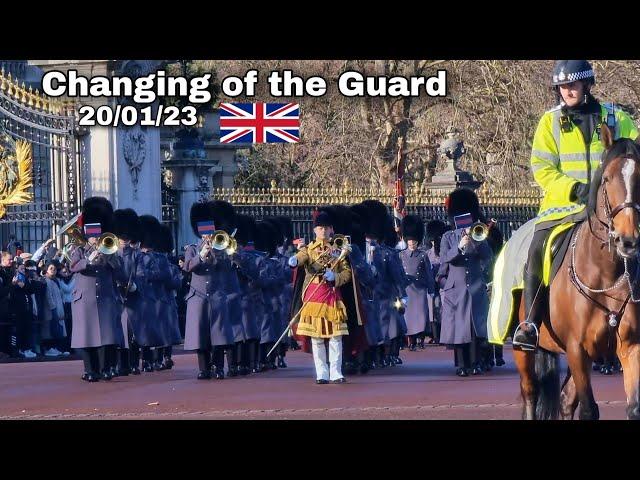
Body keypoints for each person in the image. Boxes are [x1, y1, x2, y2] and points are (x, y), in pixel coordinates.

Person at [513, 60, 640, 351]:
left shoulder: (616, 118)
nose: (567, 91)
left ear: (587, 85)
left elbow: (635, 156)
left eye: (572, 85)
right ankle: (530, 324)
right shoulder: (549, 122)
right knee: (537, 249)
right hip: (564, 207)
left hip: (612, 208)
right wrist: (575, 189)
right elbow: (542, 167)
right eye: (562, 86)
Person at [289, 210, 352, 384]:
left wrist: (335, 278)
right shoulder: (309, 249)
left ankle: (336, 372)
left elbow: (347, 273)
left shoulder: (338, 249)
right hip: (314, 296)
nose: (323, 231)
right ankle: (322, 373)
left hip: (331, 295)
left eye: (326, 228)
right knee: (317, 338)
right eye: (319, 228)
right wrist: (294, 259)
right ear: (314, 230)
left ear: (331, 229)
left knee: (335, 336)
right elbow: (302, 257)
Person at [69, 197, 126, 382]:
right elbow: (73, 266)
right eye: (92, 235)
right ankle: (89, 370)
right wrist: (89, 259)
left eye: (97, 235)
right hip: (84, 298)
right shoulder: (78, 249)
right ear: (87, 234)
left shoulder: (109, 249)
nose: (94, 239)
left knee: (106, 335)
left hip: (105, 297)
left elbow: (119, 271)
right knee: (86, 336)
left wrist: (107, 256)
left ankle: (104, 368)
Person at [439, 188, 492, 377]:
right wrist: (459, 248)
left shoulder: (479, 235)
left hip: (475, 286)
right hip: (456, 287)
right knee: (459, 329)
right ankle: (462, 364)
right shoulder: (448, 237)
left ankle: (476, 362)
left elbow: (488, 258)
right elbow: (445, 258)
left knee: (475, 327)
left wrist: (475, 245)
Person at [399, 215, 434, 351]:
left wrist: (431, 289)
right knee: (409, 317)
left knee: (421, 315)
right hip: (408, 288)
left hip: (420, 288)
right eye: (410, 242)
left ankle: (420, 339)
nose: (412, 244)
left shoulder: (423, 255)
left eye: (414, 242)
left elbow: (428, 273)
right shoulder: (401, 255)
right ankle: (411, 341)